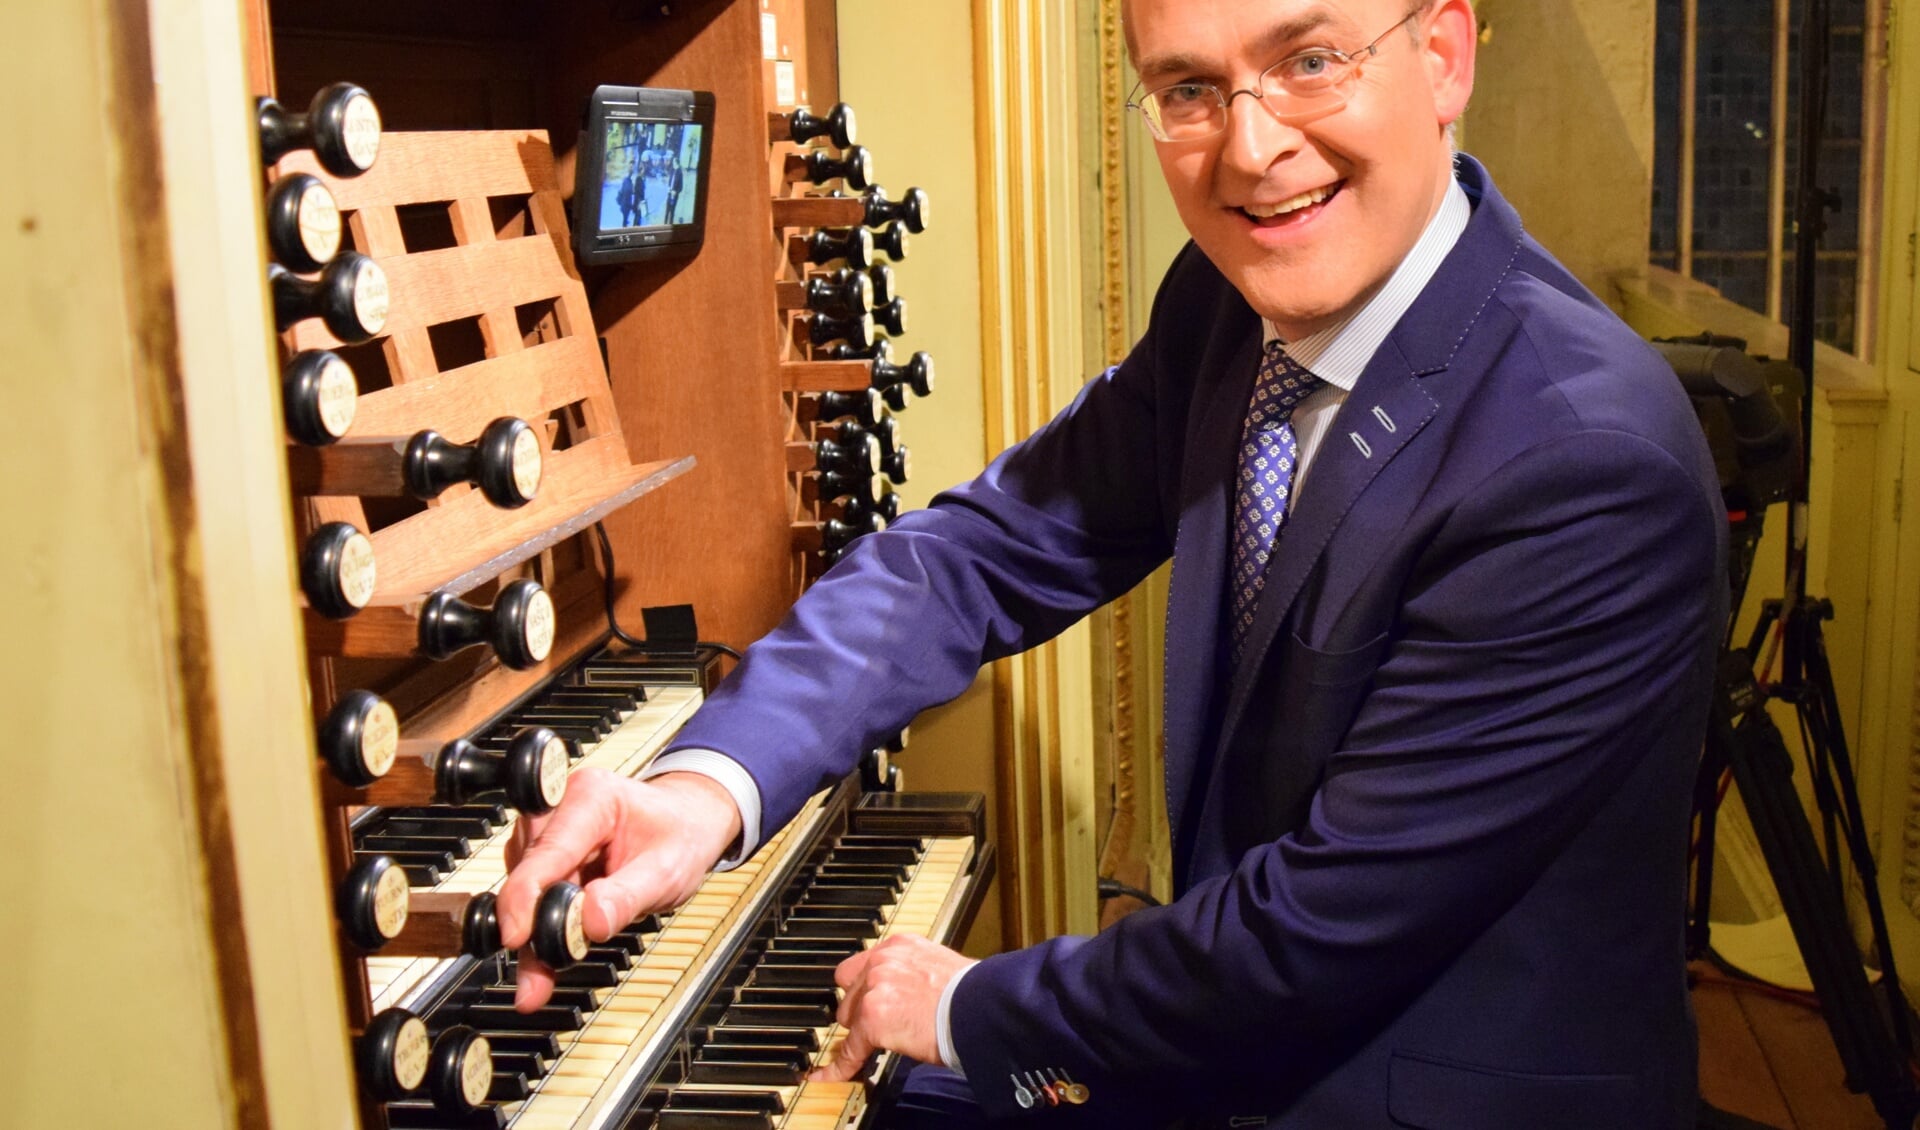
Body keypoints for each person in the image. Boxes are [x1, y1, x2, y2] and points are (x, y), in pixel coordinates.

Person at [500, 0, 1726, 1125]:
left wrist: (969, 1008)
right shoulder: (1230, 307)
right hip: (1249, 1022)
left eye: (1309, 63)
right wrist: (707, 784)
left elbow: (1312, 936)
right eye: (1189, 89)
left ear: (1443, 57)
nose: (1249, 152)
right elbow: (981, 550)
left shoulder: (1582, 464)